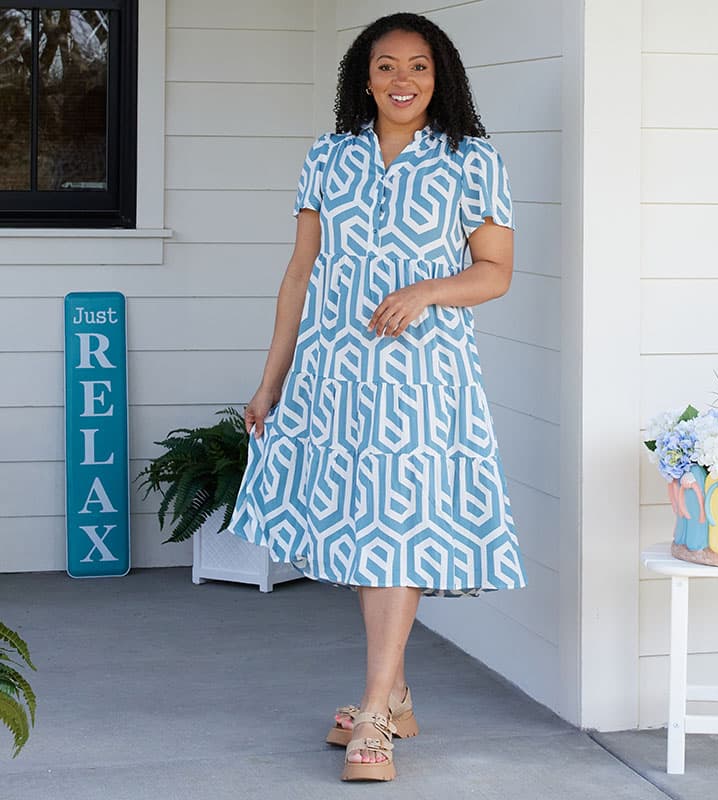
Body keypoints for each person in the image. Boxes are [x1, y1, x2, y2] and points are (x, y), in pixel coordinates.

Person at [227, 11, 527, 783]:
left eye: (419, 67)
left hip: (425, 375)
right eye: (387, 66)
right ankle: (393, 692)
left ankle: (372, 717)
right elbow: (299, 276)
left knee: (397, 526)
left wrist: (428, 290)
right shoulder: (328, 157)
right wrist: (271, 381)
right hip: (335, 371)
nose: (403, 81)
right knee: (368, 529)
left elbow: (494, 272)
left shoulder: (471, 159)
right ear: (364, 76)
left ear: (441, 76)